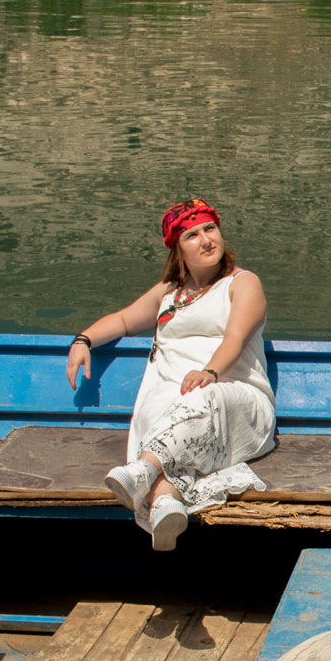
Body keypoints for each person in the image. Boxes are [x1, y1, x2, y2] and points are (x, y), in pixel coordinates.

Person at [65, 200, 274, 551]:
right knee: (160, 408)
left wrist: (210, 371)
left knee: (203, 400)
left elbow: (235, 339)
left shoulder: (242, 283)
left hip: (233, 397)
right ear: (178, 249)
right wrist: (83, 340)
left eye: (210, 229)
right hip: (176, 401)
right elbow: (123, 321)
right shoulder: (169, 293)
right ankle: (166, 502)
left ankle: (144, 471)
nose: (206, 239)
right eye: (192, 235)